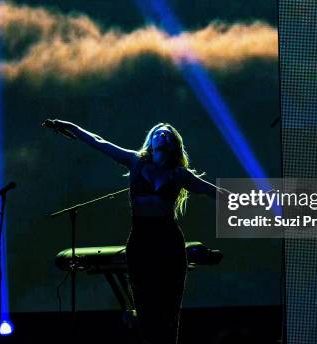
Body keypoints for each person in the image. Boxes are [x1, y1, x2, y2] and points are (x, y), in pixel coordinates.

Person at [43, 119, 221, 344]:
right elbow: (100, 142)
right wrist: (73, 128)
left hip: (168, 239)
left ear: (175, 142)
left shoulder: (179, 174)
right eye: (158, 132)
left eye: (167, 134)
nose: (162, 135)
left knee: (170, 308)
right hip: (141, 238)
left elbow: (211, 191)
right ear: (151, 140)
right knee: (144, 304)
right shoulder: (135, 161)